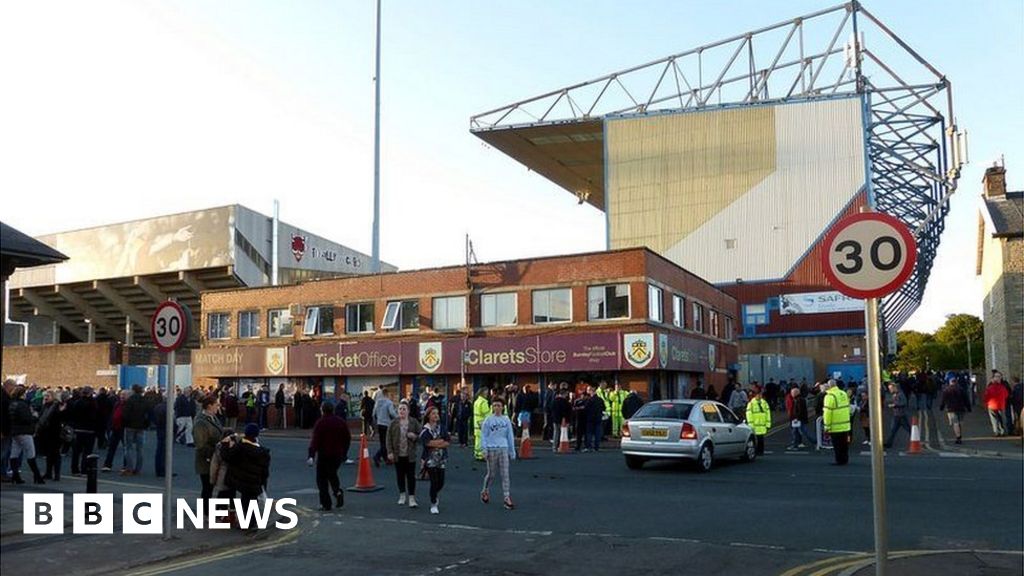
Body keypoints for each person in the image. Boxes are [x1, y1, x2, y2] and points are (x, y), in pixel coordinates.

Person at [223, 424, 271, 525]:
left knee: (245, 502)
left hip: (243, 480)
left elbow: (227, 457)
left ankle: (248, 523)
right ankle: (253, 522)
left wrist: (225, 445)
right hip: (255, 482)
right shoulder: (263, 452)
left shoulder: (240, 447)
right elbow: (265, 471)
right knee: (253, 502)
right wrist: (262, 481)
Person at [307, 402, 351, 512]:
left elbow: (315, 441)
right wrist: (344, 453)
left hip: (324, 454)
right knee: (332, 474)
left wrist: (311, 455)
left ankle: (326, 504)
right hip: (337, 455)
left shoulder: (320, 423)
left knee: (321, 479)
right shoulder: (341, 422)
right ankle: (337, 491)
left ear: (322, 410)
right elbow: (347, 438)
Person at [479, 398, 516, 510]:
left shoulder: (506, 420)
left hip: (503, 448)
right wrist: (484, 449)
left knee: (505, 474)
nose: (497, 408)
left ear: (503, 407)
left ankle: (506, 497)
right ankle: (485, 490)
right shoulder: (488, 420)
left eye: (499, 405)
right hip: (491, 448)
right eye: (494, 405)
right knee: (491, 474)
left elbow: (510, 435)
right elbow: (484, 436)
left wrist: (512, 451)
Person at [386, 402, 421, 508]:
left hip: (410, 454)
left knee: (411, 476)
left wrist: (414, 436)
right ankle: (402, 495)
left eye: (404, 409)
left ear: (408, 411)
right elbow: (388, 439)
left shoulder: (414, 422)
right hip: (398, 454)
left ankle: (412, 497)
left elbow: (421, 435)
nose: (402, 411)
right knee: (400, 475)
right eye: (400, 409)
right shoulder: (393, 423)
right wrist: (390, 452)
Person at [8, 386, 45, 484]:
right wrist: (34, 417)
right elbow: (26, 418)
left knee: (14, 453)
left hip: (15, 431)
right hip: (24, 431)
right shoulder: (22, 405)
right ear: (22, 394)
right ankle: (37, 476)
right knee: (31, 453)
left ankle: (15, 475)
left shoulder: (12, 403)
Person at [419, 406, 450, 515]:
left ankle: (434, 494)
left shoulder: (442, 428)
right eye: (433, 413)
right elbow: (426, 443)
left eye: (437, 413)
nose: (436, 415)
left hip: (441, 458)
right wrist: (439, 442)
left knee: (441, 482)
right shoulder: (425, 430)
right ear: (428, 416)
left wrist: (438, 443)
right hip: (430, 459)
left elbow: (447, 441)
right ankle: (433, 503)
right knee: (434, 480)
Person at [193, 395, 224, 501]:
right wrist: (216, 450)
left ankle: (212, 510)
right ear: (209, 406)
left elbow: (219, 431)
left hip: (215, 458)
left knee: (215, 486)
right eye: (217, 404)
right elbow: (200, 445)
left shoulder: (213, 417)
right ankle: (206, 512)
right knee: (207, 487)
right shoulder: (200, 422)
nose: (218, 406)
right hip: (207, 460)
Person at [36, 389, 65, 481]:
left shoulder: (57, 406)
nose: (45, 398)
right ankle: (48, 472)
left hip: (55, 433)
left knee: (55, 454)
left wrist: (60, 412)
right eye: (45, 396)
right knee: (49, 454)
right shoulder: (45, 406)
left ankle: (56, 474)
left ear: (53, 397)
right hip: (46, 433)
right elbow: (41, 417)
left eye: (47, 396)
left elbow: (58, 418)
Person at [121, 385, 149, 476]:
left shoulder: (130, 400)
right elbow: (148, 414)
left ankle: (129, 468)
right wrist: (145, 424)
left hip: (130, 426)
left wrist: (125, 422)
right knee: (139, 449)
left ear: (133, 390)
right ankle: (138, 469)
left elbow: (125, 414)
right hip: (141, 427)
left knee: (128, 448)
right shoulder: (144, 400)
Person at [822, 380, 851, 465]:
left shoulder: (829, 396)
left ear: (829, 386)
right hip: (845, 424)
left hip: (835, 426)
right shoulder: (843, 393)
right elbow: (847, 407)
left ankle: (839, 460)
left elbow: (827, 412)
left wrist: (827, 426)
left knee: (837, 445)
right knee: (844, 444)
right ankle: (845, 459)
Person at [102, 390, 127, 472]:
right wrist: (110, 426)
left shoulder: (128, 405)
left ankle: (126, 466)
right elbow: (113, 415)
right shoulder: (117, 404)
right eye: (121, 395)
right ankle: (107, 465)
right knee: (112, 447)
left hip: (124, 428)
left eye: (124, 395)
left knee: (126, 448)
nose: (122, 396)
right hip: (116, 428)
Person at [939, 375, 968, 444]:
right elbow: (966, 399)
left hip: (951, 409)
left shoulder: (946, 390)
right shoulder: (961, 389)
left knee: (955, 423)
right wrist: (968, 407)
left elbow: (943, 400)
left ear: (949, 382)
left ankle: (958, 437)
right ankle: (960, 435)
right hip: (961, 408)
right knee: (960, 423)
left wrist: (941, 407)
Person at [373, 389, 397, 467]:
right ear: (387, 393)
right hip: (387, 424)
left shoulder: (378, 402)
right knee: (387, 443)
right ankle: (377, 456)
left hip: (379, 423)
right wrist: (397, 417)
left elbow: (374, 413)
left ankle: (386, 459)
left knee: (382, 442)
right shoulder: (389, 402)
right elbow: (392, 413)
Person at [883, 382, 911, 449]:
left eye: (891, 388)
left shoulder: (901, 394)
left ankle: (916, 440)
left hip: (901, 415)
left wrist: (895, 405)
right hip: (897, 415)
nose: (890, 390)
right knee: (893, 430)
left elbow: (904, 403)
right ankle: (889, 444)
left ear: (894, 387)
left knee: (908, 429)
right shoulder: (895, 394)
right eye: (889, 388)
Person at [745, 386, 770, 456]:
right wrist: (751, 425)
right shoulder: (751, 404)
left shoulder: (764, 403)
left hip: (762, 425)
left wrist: (768, 424)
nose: (759, 396)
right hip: (755, 425)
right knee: (755, 440)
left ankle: (760, 451)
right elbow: (749, 414)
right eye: (758, 395)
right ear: (755, 395)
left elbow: (768, 414)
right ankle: (755, 451)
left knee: (761, 440)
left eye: (760, 395)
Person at [584, 385, 605, 452]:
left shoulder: (589, 400)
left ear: (591, 391)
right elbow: (603, 408)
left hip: (590, 419)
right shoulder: (600, 400)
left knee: (589, 433)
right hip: (598, 418)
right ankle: (596, 447)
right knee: (597, 433)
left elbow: (586, 409)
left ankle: (589, 446)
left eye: (588, 390)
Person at [473, 388, 491, 461]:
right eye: (486, 393)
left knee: (478, 440)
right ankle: (482, 455)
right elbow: (487, 414)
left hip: (477, 424)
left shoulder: (477, 401)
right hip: (482, 424)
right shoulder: (483, 402)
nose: (487, 394)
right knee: (483, 440)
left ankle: (477, 454)